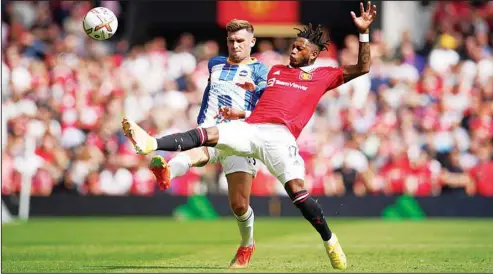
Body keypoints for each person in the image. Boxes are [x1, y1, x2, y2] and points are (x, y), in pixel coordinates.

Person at [122, 2, 377, 270]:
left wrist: (363, 33)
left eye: (300, 47)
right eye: (293, 45)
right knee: (208, 133)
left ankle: (329, 239)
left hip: (280, 137)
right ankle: (151, 143)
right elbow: (267, 104)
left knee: (297, 194)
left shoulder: (324, 75)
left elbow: (363, 66)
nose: (293, 49)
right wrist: (240, 113)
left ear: (313, 55)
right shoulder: (276, 71)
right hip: (251, 127)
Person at [148, 19, 269, 269]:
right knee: (195, 154)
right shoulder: (215, 64)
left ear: (252, 42)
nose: (235, 46)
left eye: (241, 41)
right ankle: (168, 171)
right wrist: (203, 119)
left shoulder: (260, 70)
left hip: (241, 137)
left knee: (239, 205)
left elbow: (266, 104)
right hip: (212, 130)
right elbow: (208, 95)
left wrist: (247, 104)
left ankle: (247, 243)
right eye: (231, 41)